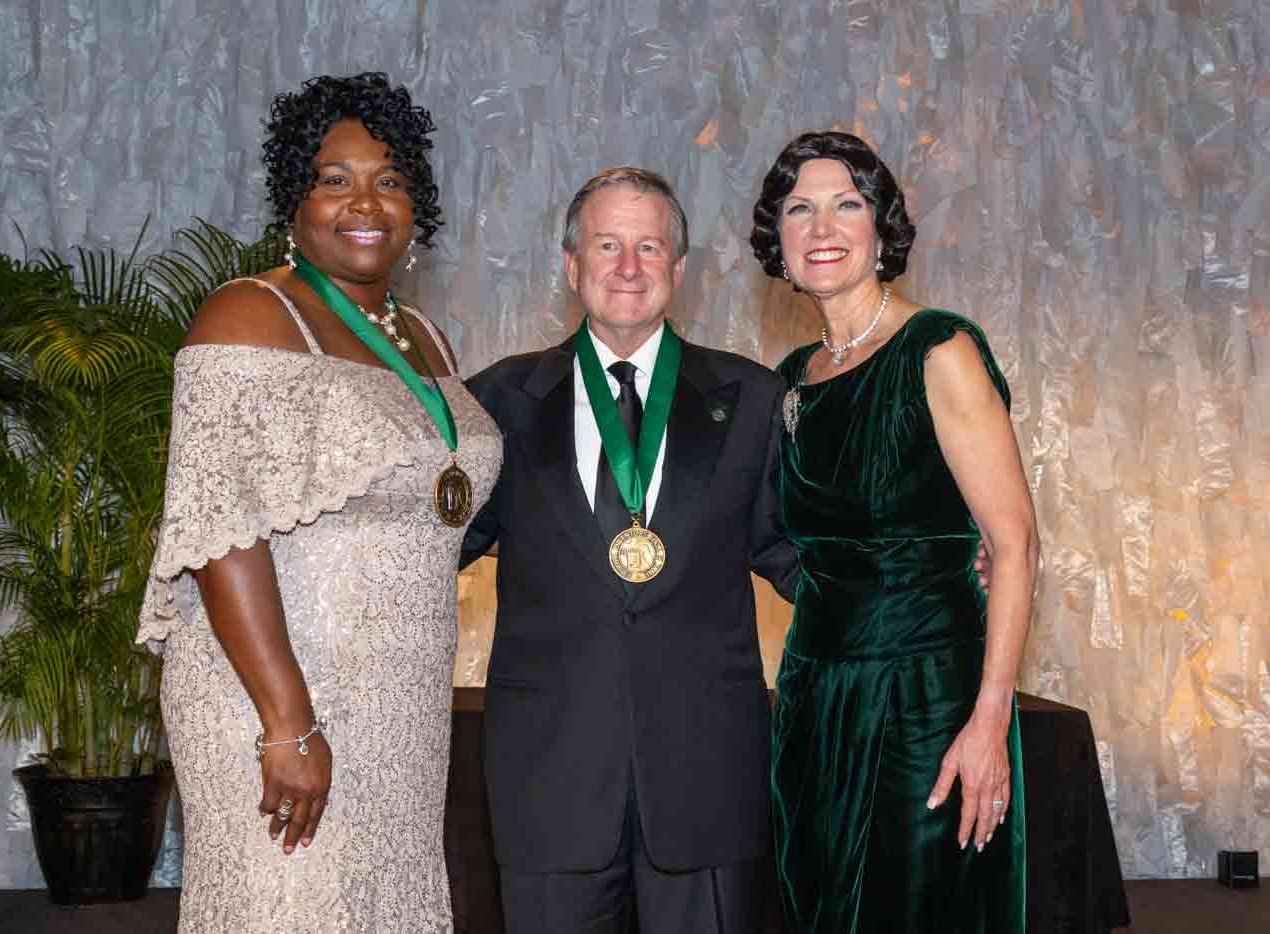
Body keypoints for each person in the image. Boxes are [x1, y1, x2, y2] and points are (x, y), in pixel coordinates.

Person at [136, 73, 502, 933]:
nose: (364, 202)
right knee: (293, 907)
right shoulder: (246, 316)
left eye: (389, 179)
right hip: (278, 693)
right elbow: (222, 535)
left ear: (418, 205)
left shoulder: (425, 338)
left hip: (403, 699)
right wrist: (288, 723)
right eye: (334, 179)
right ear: (293, 199)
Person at [460, 167, 799, 933]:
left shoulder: (750, 399)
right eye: (607, 245)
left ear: (678, 271)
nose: (628, 267)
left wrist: (923, 574)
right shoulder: (498, 402)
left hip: (706, 779)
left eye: (649, 247)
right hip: (549, 778)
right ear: (572, 265)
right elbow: (423, 551)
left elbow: (795, 553)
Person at [750, 130, 1037, 933]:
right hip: (814, 691)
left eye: (847, 204)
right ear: (778, 240)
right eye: (798, 209)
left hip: (928, 694)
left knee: (916, 909)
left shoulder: (937, 349)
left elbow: (1014, 544)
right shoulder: (789, 381)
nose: (822, 226)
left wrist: (988, 722)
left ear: (882, 228)